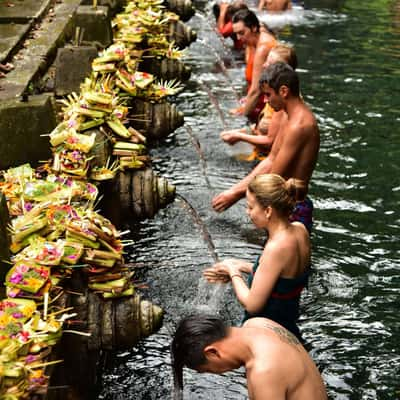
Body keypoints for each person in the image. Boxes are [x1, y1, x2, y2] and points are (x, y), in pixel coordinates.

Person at [212, 62, 320, 233]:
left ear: (284, 91)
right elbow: (271, 159)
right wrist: (234, 191)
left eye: (268, 95)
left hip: (293, 210)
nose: (266, 101)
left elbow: (274, 177)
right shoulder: (287, 115)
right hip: (279, 203)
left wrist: (238, 194)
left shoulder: (299, 126)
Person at [205, 174, 310, 339]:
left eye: (250, 207)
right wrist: (241, 265)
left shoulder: (275, 248)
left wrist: (233, 272)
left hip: (267, 333)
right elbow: (283, 276)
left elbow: (253, 305)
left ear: (268, 211)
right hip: (289, 325)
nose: (248, 213)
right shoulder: (300, 230)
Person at [171, 315, 328, 400]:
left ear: (212, 352)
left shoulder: (264, 372)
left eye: (208, 370)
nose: (217, 373)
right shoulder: (259, 322)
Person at [221, 44, 298, 159]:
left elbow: (269, 141)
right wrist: (240, 132)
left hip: (264, 161)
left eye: (270, 64)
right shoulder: (273, 96)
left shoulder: (282, 103)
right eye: (266, 60)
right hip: (258, 156)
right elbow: (263, 130)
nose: (263, 65)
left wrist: (239, 137)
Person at [230, 9, 277, 121]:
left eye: (241, 33)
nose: (238, 38)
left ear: (254, 28)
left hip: (269, 110)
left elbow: (256, 90)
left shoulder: (263, 48)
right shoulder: (255, 38)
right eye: (236, 33)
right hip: (261, 103)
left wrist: (242, 116)